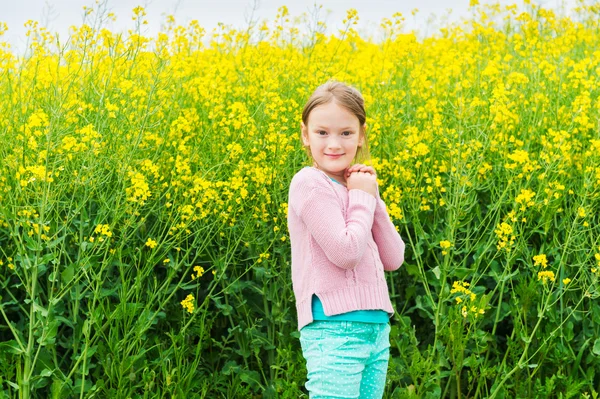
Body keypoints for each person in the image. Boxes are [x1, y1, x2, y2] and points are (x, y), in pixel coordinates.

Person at [287, 80, 406, 399]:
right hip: (333, 328)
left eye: (346, 133)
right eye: (322, 133)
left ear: (362, 135)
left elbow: (394, 257)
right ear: (305, 135)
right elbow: (345, 251)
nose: (334, 144)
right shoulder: (309, 183)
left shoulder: (357, 189)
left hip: (376, 328)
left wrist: (372, 196)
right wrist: (362, 198)